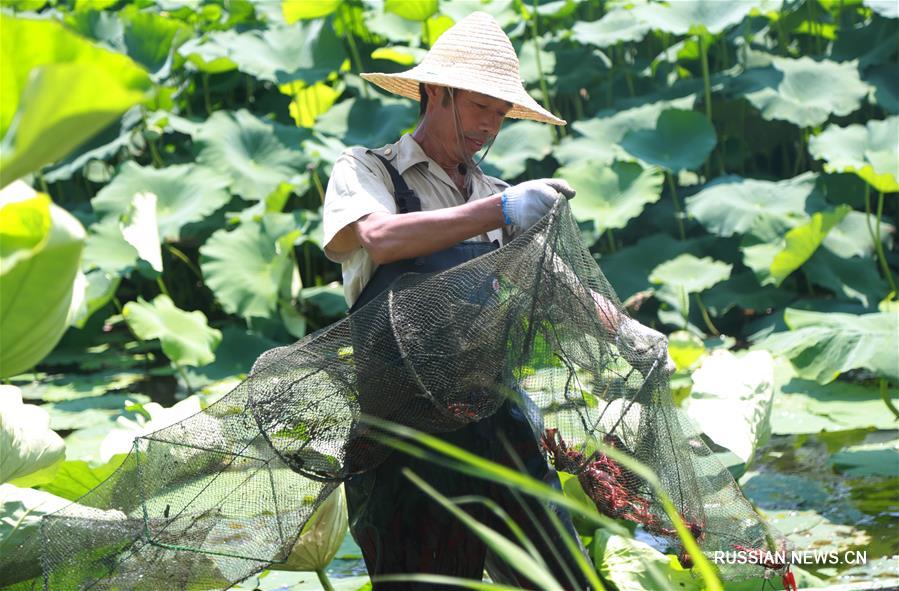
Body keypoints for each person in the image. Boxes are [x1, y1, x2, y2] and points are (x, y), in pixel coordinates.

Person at [322, 11, 672, 590]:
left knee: (561, 580)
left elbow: (565, 288)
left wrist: (631, 334)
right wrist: (498, 214)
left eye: (501, 114)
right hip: (403, 444)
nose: (490, 127)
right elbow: (379, 239)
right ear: (436, 92)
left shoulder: (498, 193)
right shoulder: (369, 169)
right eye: (481, 107)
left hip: (499, 426)